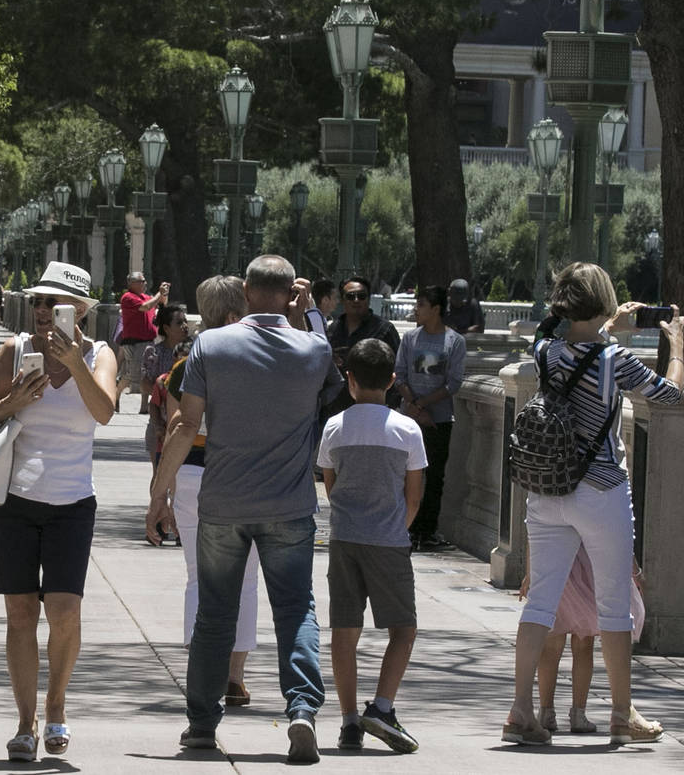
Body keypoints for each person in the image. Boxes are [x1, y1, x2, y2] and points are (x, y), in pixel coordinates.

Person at [147, 256, 344, 764]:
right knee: (296, 609)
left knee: (216, 613)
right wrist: (302, 318)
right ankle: (301, 710)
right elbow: (324, 386)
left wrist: (159, 493)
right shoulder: (313, 347)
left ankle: (201, 725)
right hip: (290, 504)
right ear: (290, 293)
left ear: (245, 291)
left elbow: (185, 426)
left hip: (223, 503)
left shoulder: (211, 345)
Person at [502, 262, 684, 748]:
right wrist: (678, 345)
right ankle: (621, 714)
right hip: (600, 488)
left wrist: (603, 323)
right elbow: (669, 394)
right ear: (604, 301)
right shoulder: (614, 360)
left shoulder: (544, 352)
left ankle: (521, 709)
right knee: (614, 606)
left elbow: (545, 329)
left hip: (546, 491)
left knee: (540, 601)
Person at [0, 261, 116, 763]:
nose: (41, 312)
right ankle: (24, 722)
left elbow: (104, 411)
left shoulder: (100, 355)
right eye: (37, 302)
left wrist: (74, 362)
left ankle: (56, 705)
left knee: (63, 611)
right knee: (19, 613)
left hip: (72, 503)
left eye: (53, 304)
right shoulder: (14, 350)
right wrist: (14, 399)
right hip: (14, 501)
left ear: (79, 311)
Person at [318, 338, 427, 754]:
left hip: (344, 537)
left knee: (345, 631)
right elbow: (414, 494)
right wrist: (398, 526)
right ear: (393, 381)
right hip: (388, 539)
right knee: (403, 628)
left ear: (350, 381)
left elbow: (329, 482)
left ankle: (348, 723)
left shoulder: (334, 427)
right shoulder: (407, 430)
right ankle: (382, 706)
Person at [161, 276, 262, 706]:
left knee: (198, 577)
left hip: (193, 474)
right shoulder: (260, 362)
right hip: (249, 476)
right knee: (247, 580)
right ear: (237, 314)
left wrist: (159, 489)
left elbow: (175, 427)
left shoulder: (186, 366)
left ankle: (202, 670)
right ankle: (234, 675)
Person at [520, 544, 646, 736]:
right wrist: (635, 571)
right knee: (584, 642)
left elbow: (533, 532)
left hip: (555, 566)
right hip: (589, 569)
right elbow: (619, 533)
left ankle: (546, 712)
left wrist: (531, 573)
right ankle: (578, 714)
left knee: (551, 644)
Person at [394, 285, 466, 551]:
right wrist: (413, 406)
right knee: (405, 473)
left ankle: (427, 529)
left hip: (439, 420)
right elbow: (399, 374)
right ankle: (404, 527)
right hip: (409, 418)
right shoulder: (410, 339)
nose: (416, 309)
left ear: (436, 309)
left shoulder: (455, 341)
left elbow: (454, 383)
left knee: (435, 475)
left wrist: (424, 405)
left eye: (421, 304)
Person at [327, 276, 400, 411]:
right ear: (342, 300)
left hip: (375, 410)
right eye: (350, 296)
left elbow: (398, 369)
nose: (356, 300)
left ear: (369, 299)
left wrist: (391, 405)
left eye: (361, 296)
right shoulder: (333, 329)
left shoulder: (384, 330)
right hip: (337, 408)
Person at [142, 305, 189, 469]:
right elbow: (145, 384)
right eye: (179, 322)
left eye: (185, 321)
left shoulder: (196, 351)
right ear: (167, 328)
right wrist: (165, 389)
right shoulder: (154, 352)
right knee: (159, 474)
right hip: (159, 424)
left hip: (187, 424)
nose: (185, 326)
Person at [117, 271, 169, 413]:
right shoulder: (128, 298)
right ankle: (116, 394)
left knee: (147, 374)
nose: (145, 284)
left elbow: (162, 304)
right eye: (142, 281)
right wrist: (159, 293)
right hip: (134, 342)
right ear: (132, 283)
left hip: (149, 341)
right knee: (132, 375)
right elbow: (145, 307)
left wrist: (164, 294)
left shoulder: (147, 297)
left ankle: (144, 406)